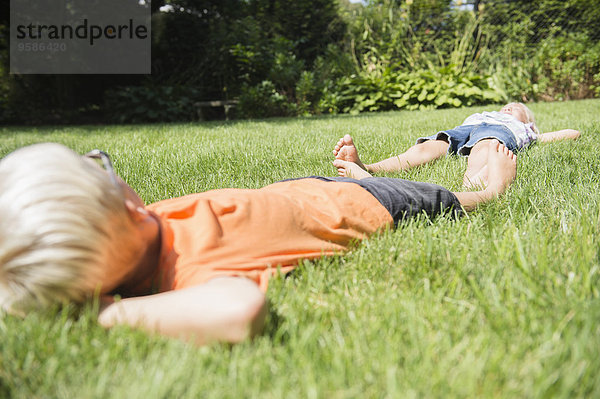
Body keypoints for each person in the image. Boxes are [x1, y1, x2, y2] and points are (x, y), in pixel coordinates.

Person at [0, 141, 516, 345]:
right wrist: (101, 314)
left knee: (327, 185)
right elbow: (240, 310)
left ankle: (362, 169)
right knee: (446, 197)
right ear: (128, 209)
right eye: (104, 172)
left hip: (300, 191)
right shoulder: (186, 274)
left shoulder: (138, 230)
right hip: (372, 205)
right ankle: (491, 186)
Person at [332, 102, 580, 186]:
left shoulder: (526, 131)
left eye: (515, 109)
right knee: (430, 145)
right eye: (506, 105)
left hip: (495, 132)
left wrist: (540, 133)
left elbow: (572, 133)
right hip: (464, 130)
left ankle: (473, 182)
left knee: (486, 145)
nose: (508, 108)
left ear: (528, 124)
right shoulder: (484, 114)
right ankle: (370, 167)